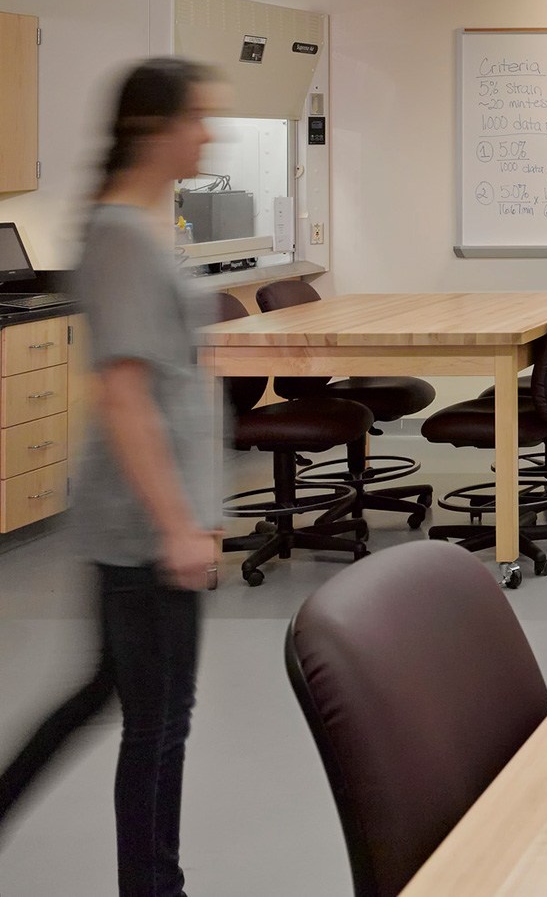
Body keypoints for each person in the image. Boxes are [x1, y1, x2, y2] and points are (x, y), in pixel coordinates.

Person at [0, 58, 227, 897]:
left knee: (111, 694)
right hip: (141, 524)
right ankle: (154, 887)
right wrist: (176, 525)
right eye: (198, 117)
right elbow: (125, 395)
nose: (210, 132)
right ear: (152, 129)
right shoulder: (126, 239)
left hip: (136, 517)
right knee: (160, 722)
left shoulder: (130, 226)